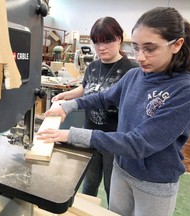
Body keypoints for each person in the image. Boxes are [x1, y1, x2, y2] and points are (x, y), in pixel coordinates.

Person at [37, 7, 190, 216]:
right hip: (122, 170)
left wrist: (72, 134)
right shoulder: (134, 76)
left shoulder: (186, 89)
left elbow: (139, 143)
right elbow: (103, 98)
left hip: (154, 182)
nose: (140, 56)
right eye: (136, 48)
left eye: (149, 49)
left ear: (177, 44)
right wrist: (67, 106)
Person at [52, 16, 137, 202]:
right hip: (88, 134)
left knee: (111, 187)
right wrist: (65, 96)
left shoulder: (131, 70)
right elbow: (86, 88)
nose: (101, 47)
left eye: (107, 41)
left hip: (113, 138)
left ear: (119, 39)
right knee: (88, 182)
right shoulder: (93, 66)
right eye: (96, 42)